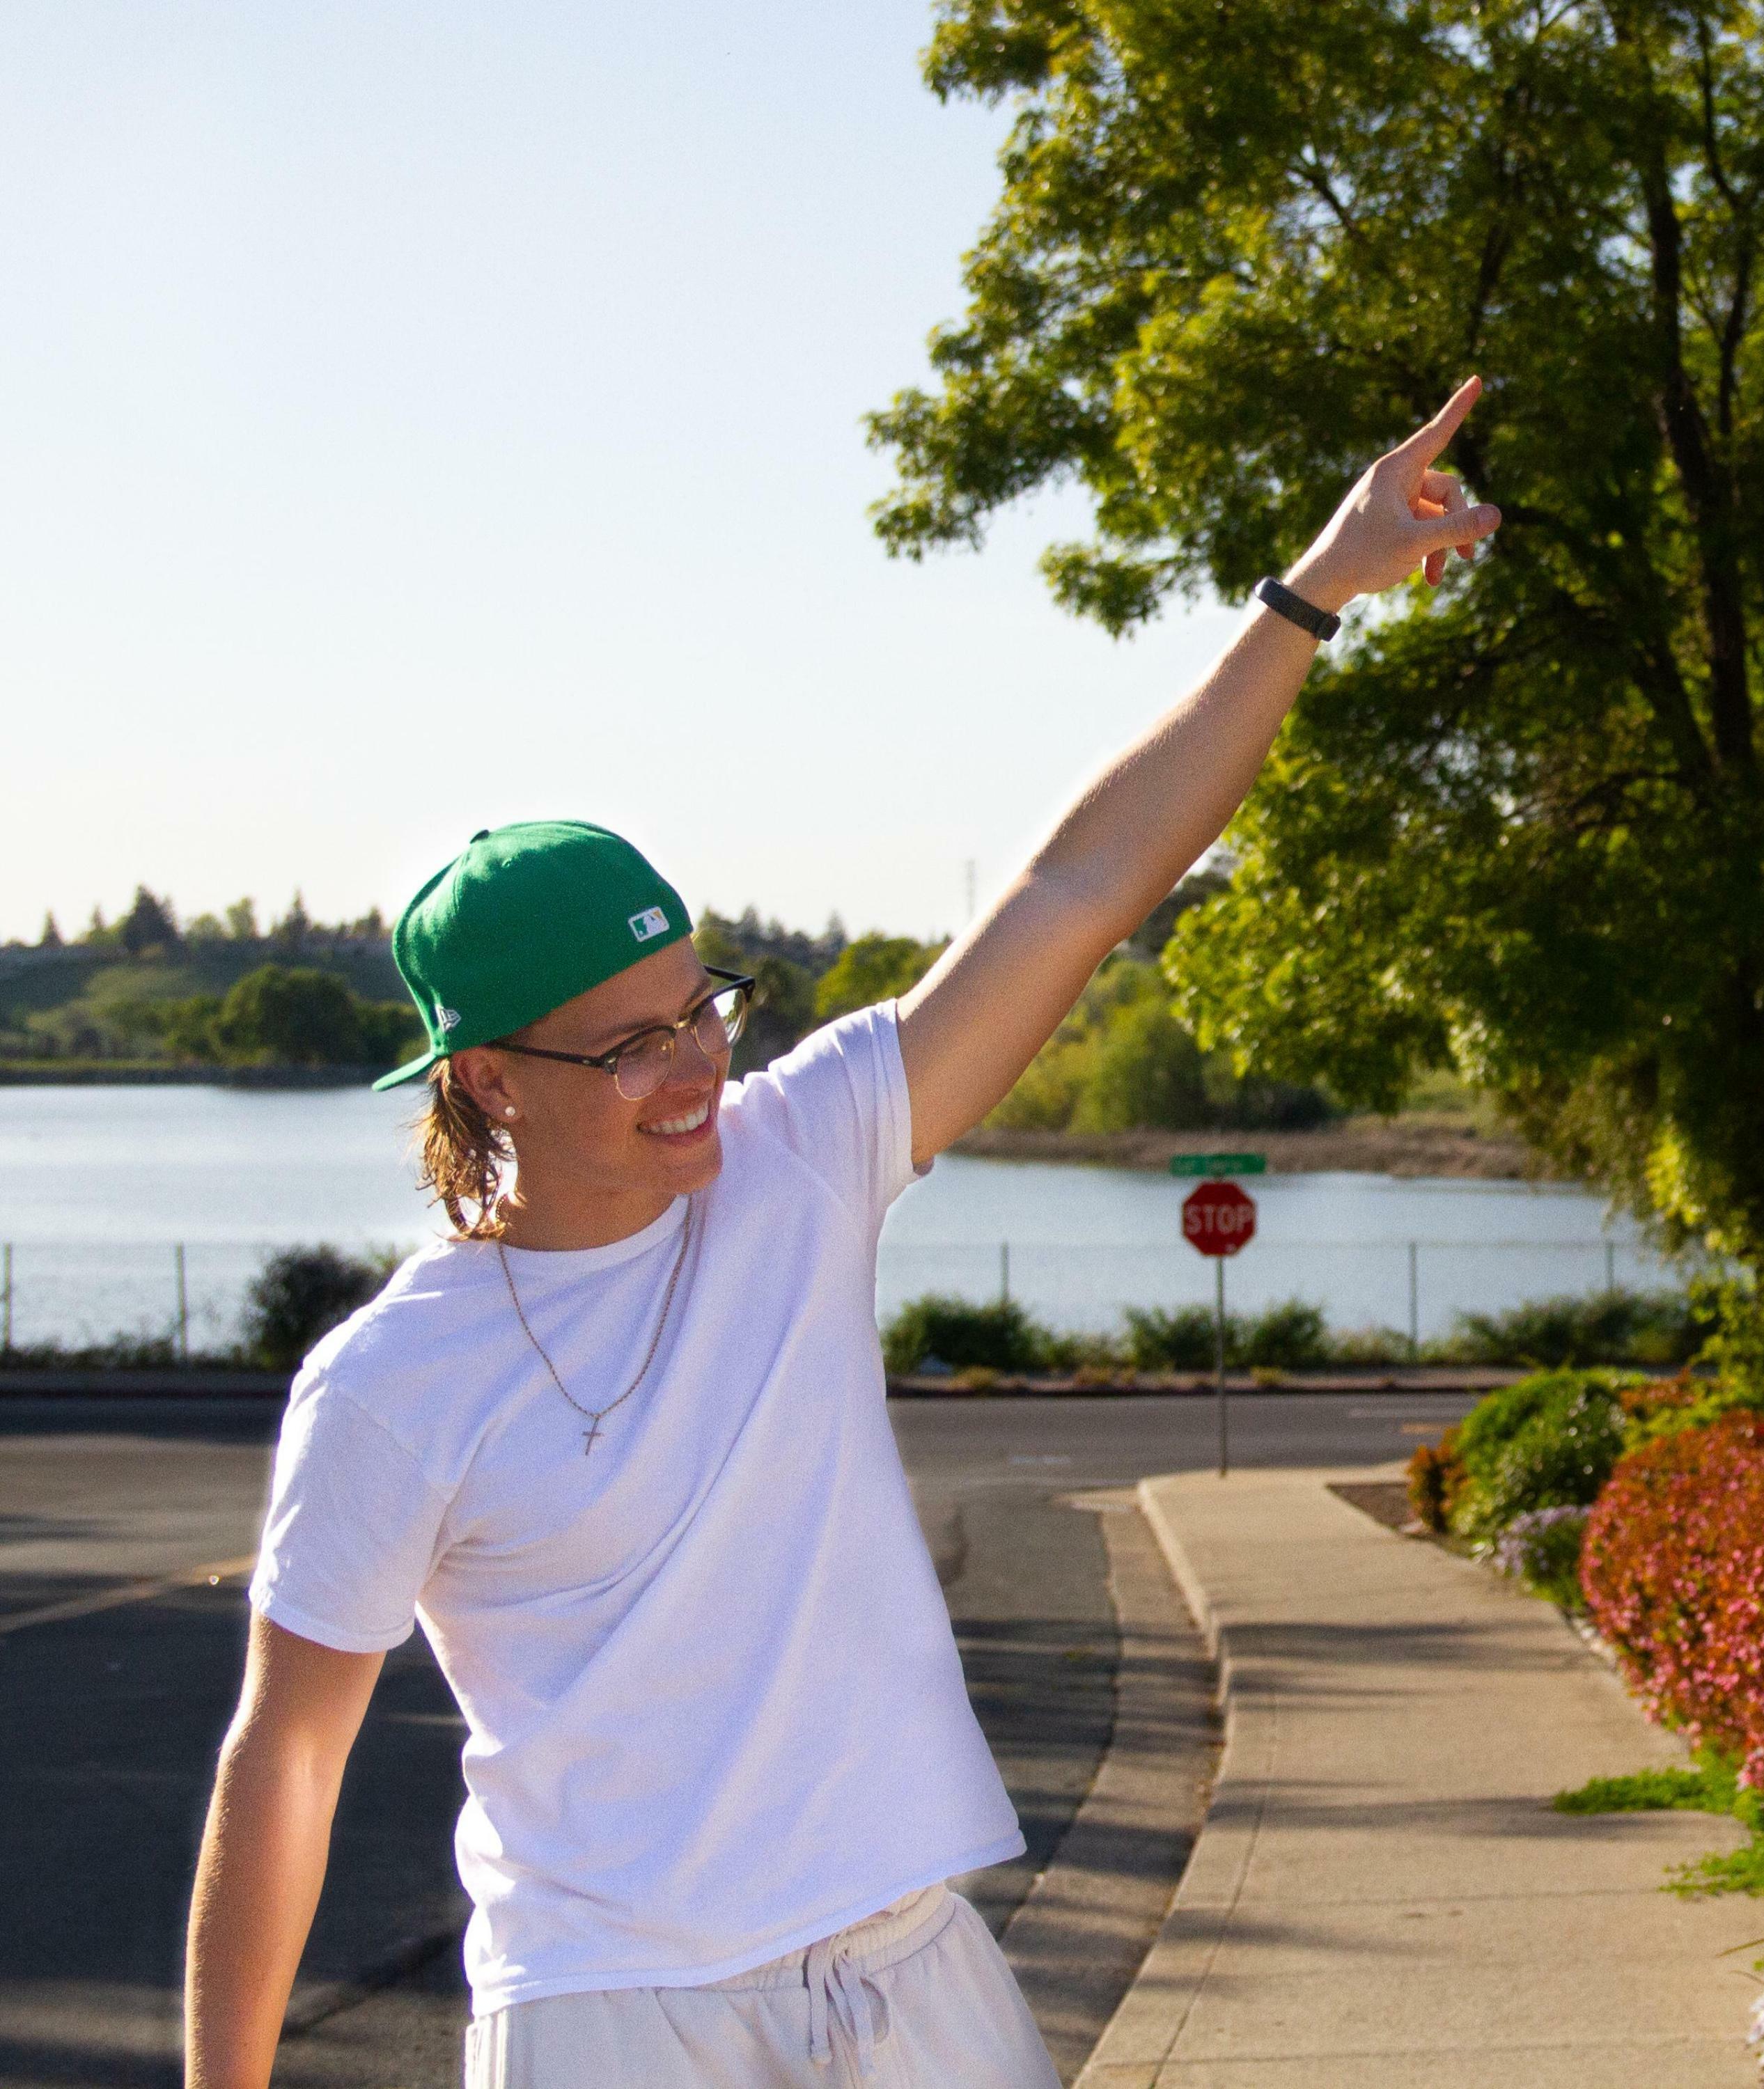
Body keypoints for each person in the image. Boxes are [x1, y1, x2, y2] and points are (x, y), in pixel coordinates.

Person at [182, 380, 1499, 2089]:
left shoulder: (801, 1158)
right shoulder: (393, 1385)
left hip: (908, 1975)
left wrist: (1312, 592)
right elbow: (285, 1761)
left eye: (702, 1007)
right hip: (612, 2013)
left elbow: (1078, 891)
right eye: (632, 1045)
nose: (696, 1072)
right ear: (489, 1081)